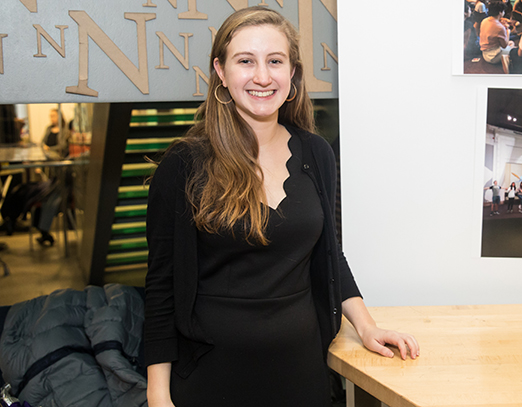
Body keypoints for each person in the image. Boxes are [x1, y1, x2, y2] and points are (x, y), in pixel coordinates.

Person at [143, 7, 419, 407]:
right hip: (210, 377)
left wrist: (367, 326)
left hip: (300, 372)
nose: (262, 76)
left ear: (292, 73)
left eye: (275, 61)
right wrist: (158, 395)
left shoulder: (316, 152)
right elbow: (161, 288)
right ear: (220, 71)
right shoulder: (184, 164)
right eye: (245, 61)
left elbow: (329, 254)